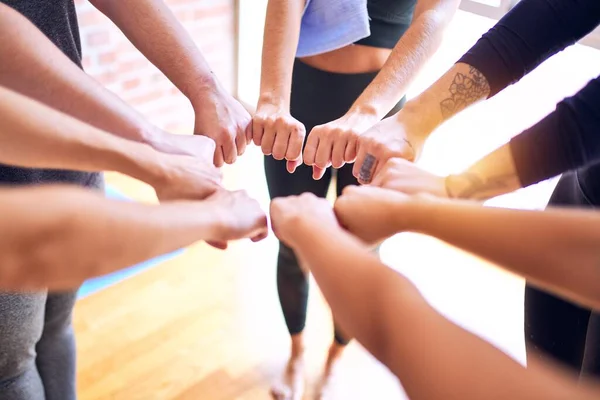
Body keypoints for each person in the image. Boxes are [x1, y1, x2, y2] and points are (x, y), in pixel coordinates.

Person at [0, 1, 250, 399]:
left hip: (76, 144)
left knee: (57, 327)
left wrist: (156, 152)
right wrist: (203, 208)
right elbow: (34, 247)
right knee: (10, 369)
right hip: (23, 182)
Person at [349, 0, 600, 379]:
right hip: (584, 188)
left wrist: (454, 191)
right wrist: (412, 121)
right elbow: (555, 13)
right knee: (549, 369)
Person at [251, 0, 460, 397]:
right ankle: (296, 353)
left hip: (379, 106)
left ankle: (336, 354)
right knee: (291, 239)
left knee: (360, 249)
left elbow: (436, 16)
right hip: (299, 93)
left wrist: (366, 112)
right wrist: (273, 98)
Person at [269, 188, 600, 400]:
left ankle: (330, 363)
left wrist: (308, 228)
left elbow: (398, 334)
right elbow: (584, 251)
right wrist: (410, 211)